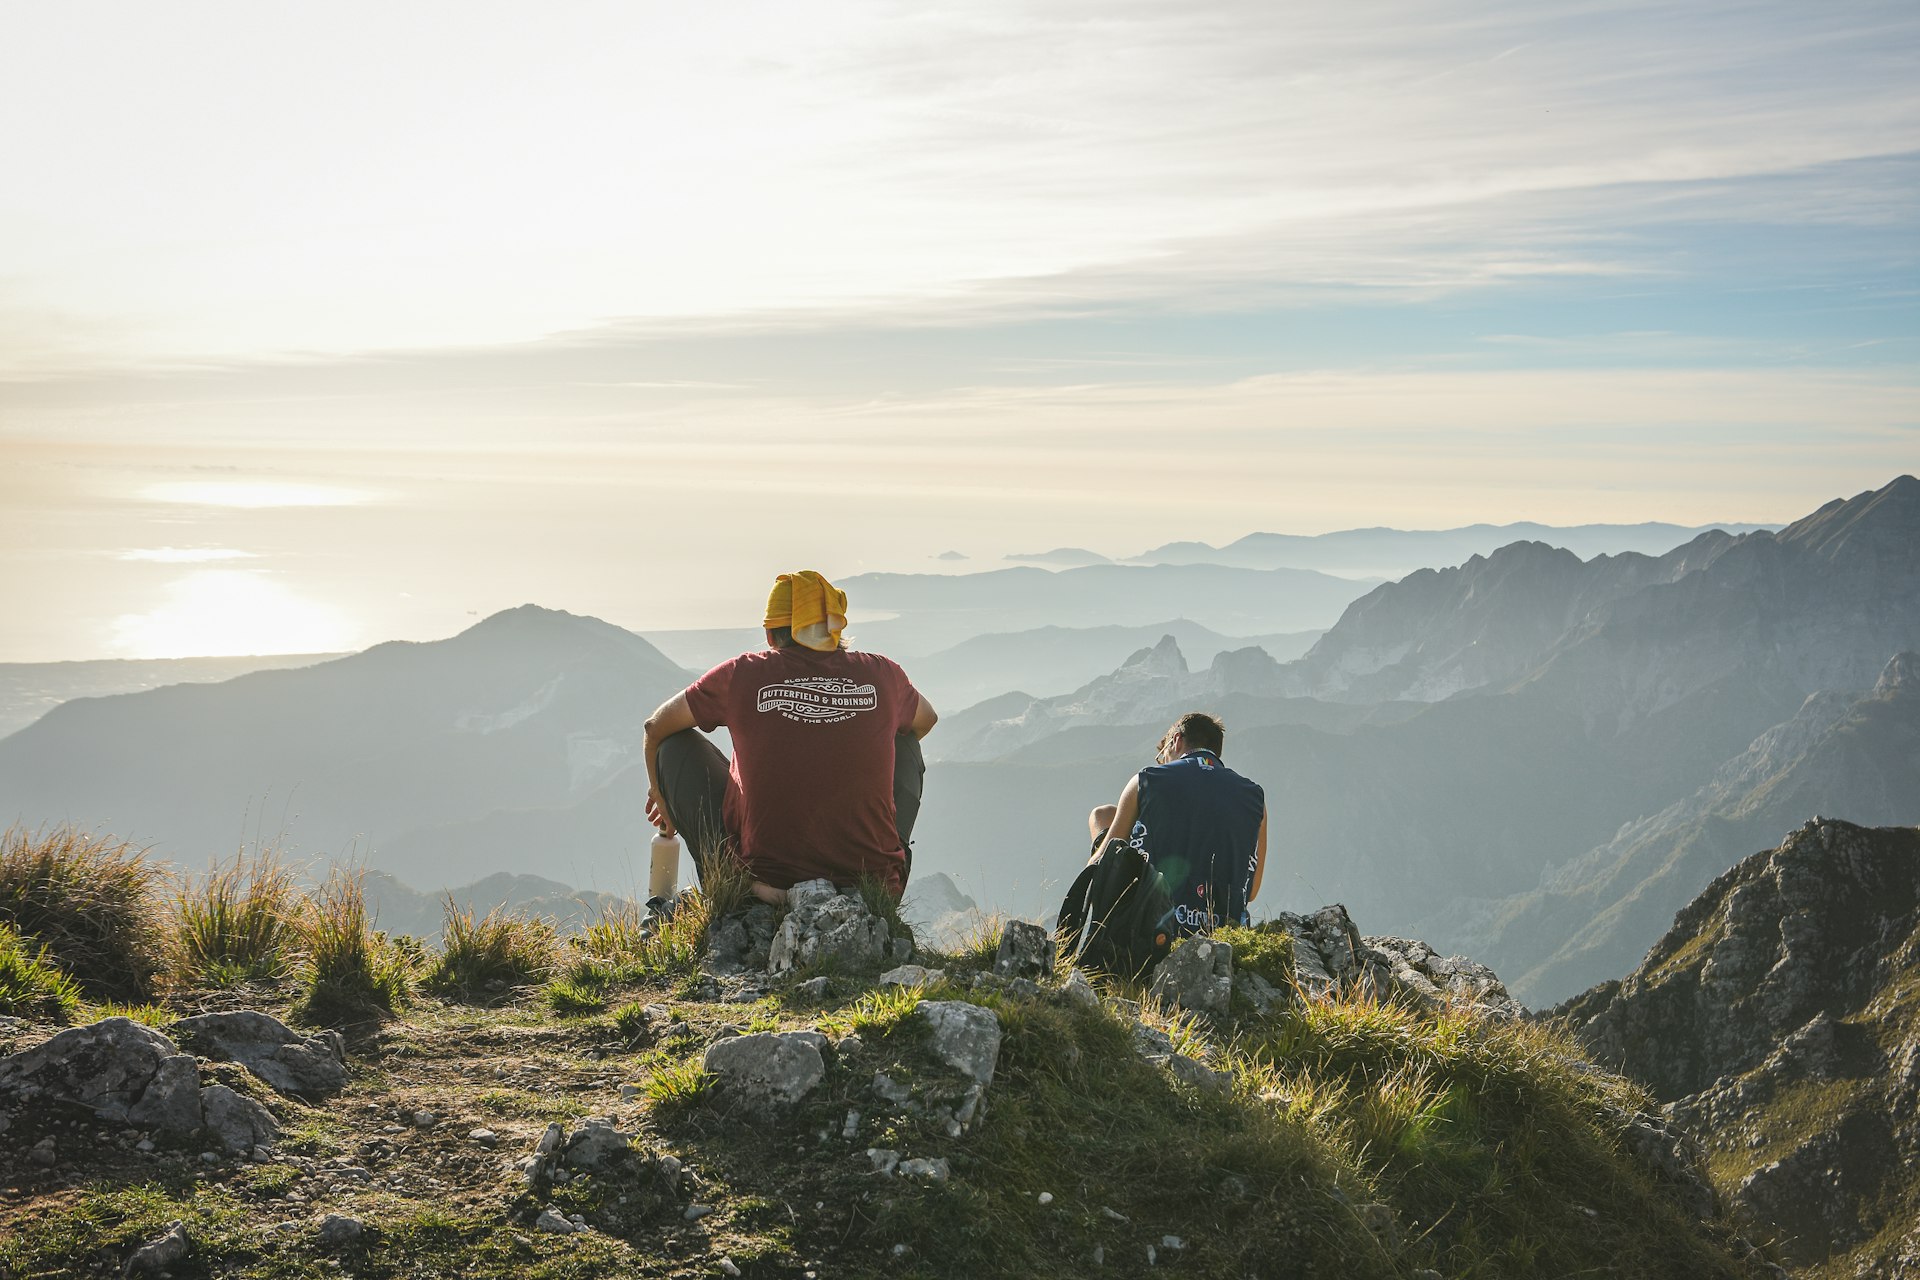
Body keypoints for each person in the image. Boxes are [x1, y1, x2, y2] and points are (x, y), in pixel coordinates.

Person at [642, 570, 937, 905]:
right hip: (872, 888)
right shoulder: (883, 674)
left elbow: (655, 728)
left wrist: (661, 797)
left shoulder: (742, 673)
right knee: (907, 739)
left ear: (770, 634)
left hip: (766, 880)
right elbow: (927, 720)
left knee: (673, 746)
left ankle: (741, 885)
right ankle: (876, 880)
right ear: (835, 629)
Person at [1087, 711, 1267, 935]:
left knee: (1101, 817)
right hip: (1224, 933)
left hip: (1152, 932)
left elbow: (1098, 867)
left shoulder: (1147, 780)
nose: (1162, 763)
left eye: (1162, 757)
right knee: (1106, 813)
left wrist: (1100, 842)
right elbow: (1250, 892)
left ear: (1176, 741)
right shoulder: (1255, 797)